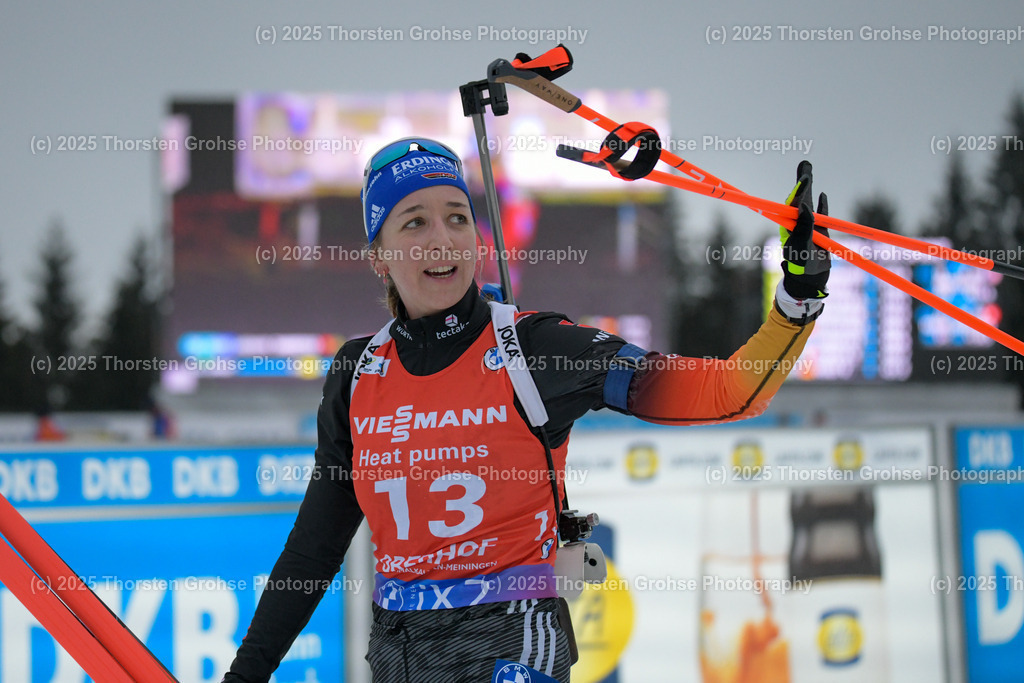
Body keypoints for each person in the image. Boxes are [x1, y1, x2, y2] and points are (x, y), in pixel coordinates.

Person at [223, 139, 830, 683]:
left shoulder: (534, 350)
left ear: (478, 240)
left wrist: (797, 298)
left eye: (458, 218)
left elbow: (726, 392)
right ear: (379, 255)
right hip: (399, 652)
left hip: (514, 640)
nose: (442, 238)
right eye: (414, 222)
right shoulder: (358, 374)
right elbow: (313, 549)